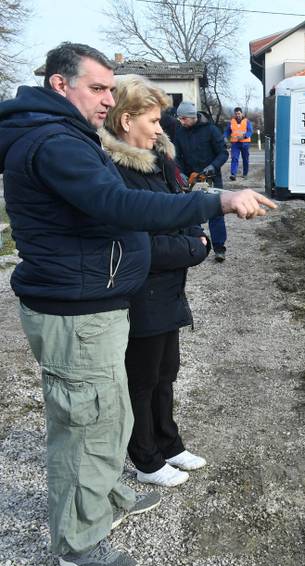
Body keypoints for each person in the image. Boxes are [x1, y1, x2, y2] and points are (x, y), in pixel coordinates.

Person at [0, 42, 275, 566]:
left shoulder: (65, 135)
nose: (107, 99)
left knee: (112, 414)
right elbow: (120, 206)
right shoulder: (55, 142)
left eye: (109, 87)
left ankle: (107, 498)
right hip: (76, 312)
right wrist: (215, 200)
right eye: (98, 88)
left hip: (97, 303)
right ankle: (77, 543)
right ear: (61, 85)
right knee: (87, 428)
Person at [99, 76, 209, 489]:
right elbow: (139, 244)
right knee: (141, 379)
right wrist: (194, 249)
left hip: (168, 291)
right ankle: (144, 457)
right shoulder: (115, 172)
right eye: (153, 119)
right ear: (126, 121)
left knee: (167, 372)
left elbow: (183, 211)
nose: (161, 128)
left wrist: (194, 238)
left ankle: (169, 442)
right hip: (139, 296)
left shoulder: (161, 162)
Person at [174, 101, 229, 262]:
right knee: (192, 212)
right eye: (180, 119)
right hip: (191, 178)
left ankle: (219, 249)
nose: (181, 122)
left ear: (192, 117)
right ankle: (194, 245)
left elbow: (223, 153)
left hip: (211, 178)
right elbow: (178, 156)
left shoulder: (211, 130)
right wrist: (182, 173)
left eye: (184, 119)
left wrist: (213, 166)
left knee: (216, 213)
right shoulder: (180, 133)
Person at [225, 106, 253, 181]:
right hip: (235, 143)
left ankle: (245, 174)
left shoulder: (247, 121)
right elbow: (227, 131)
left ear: (242, 113)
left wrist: (244, 136)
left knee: (245, 159)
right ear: (235, 114)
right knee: (234, 158)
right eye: (236, 114)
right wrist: (224, 137)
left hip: (245, 143)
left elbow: (250, 131)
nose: (238, 115)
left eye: (239, 113)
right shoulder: (231, 122)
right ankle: (233, 174)